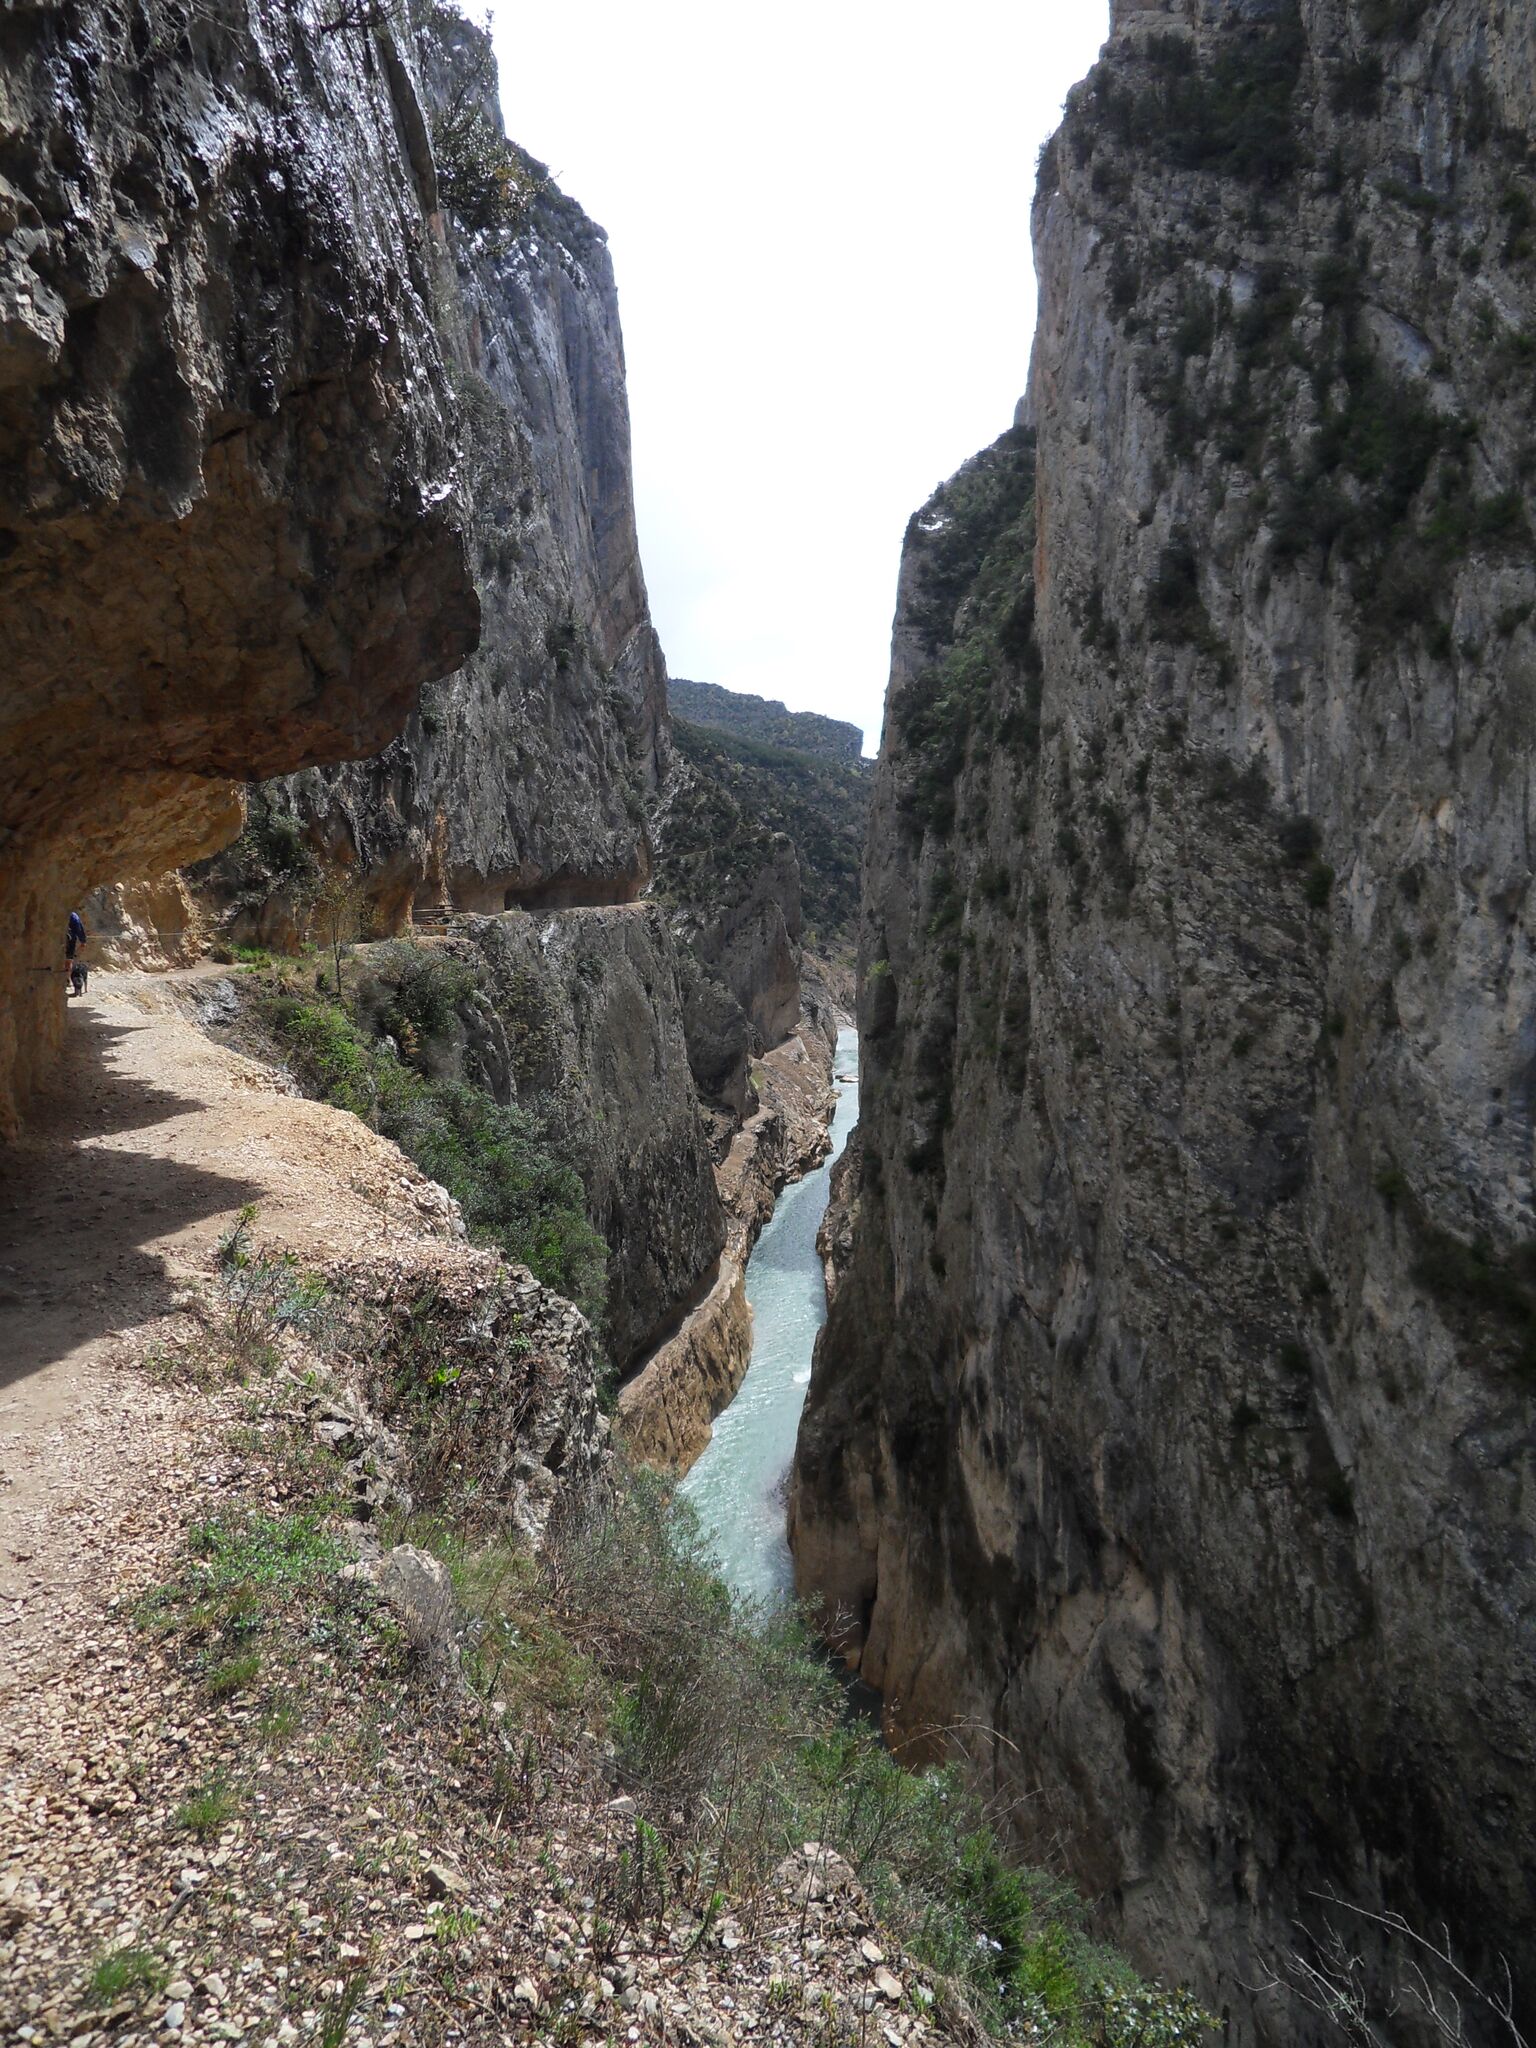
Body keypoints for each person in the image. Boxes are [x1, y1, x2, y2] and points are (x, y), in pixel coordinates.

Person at [65, 909, 87, 998]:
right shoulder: (73, 915)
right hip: (70, 940)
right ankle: (66, 980)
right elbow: (79, 927)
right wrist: (83, 941)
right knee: (68, 960)